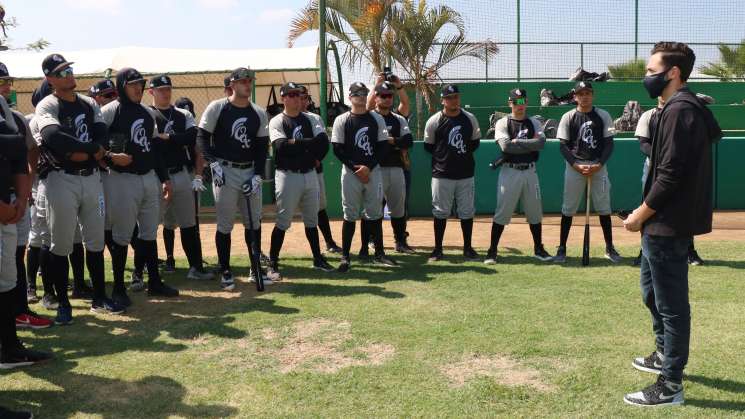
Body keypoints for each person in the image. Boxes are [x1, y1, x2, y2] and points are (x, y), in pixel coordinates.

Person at [623, 42, 721, 407]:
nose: (647, 76)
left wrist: (640, 214)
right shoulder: (675, 108)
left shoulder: (682, 110)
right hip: (659, 224)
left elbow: (671, 175)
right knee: (652, 294)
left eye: (652, 70)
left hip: (667, 224)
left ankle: (670, 386)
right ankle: (664, 355)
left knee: (672, 306)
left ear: (673, 73)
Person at [36, 54, 126, 322]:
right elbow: (53, 136)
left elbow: (101, 133)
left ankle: (100, 297)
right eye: (61, 72)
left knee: (95, 240)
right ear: (50, 79)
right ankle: (64, 303)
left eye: (69, 70)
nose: (68, 75)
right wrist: (93, 151)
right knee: (61, 243)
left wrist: (87, 153)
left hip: (90, 178)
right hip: (61, 179)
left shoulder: (87, 103)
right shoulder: (47, 104)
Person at [101, 67, 178, 306]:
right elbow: (96, 142)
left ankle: (154, 281)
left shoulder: (146, 112)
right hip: (121, 179)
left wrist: (164, 177)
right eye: (132, 83)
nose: (137, 88)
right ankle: (119, 289)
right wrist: (111, 156)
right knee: (122, 235)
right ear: (122, 85)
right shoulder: (110, 110)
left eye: (140, 84)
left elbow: (153, 148)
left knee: (148, 233)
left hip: (148, 178)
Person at [133, 75, 212, 281]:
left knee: (188, 224)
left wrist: (168, 138)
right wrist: (176, 140)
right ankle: (139, 273)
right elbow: (154, 144)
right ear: (151, 92)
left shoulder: (182, 113)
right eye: (160, 90)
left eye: (168, 88)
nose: (165, 93)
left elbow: (191, 137)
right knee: (149, 227)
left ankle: (195, 268)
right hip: (157, 176)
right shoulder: (147, 113)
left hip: (182, 173)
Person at [197, 67, 270, 290]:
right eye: (243, 81)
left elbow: (261, 148)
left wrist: (258, 175)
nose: (248, 85)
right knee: (225, 224)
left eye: (250, 81)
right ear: (233, 84)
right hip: (225, 170)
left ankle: (254, 267)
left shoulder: (257, 112)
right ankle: (226, 269)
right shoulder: (218, 107)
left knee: (253, 222)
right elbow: (202, 137)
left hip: (249, 171)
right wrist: (214, 163)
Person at [0, 89, 53, 370]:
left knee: (6, 280)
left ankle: (9, 349)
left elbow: (20, 155)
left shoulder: (5, 109)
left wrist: (20, 199)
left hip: (10, 204)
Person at [266, 82, 335, 280]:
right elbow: (280, 146)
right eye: (291, 94)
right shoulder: (277, 121)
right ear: (283, 98)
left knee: (312, 219)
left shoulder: (310, 119)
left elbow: (322, 144)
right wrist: (307, 144)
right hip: (287, 175)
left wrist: (296, 143)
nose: (296, 98)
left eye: (298, 94)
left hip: (309, 173)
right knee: (283, 221)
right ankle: (273, 262)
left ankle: (317, 258)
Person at [553, 81, 621, 264]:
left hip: (598, 167)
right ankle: (562, 248)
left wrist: (599, 164)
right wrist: (575, 164)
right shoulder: (568, 117)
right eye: (580, 93)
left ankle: (609, 247)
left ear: (593, 95)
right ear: (575, 96)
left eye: (588, 93)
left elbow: (609, 144)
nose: (584, 96)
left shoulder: (603, 115)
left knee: (604, 208)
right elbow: (563, 146)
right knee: (568, 209)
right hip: (575, 167)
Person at [332, 82, 396, 272]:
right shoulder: (342, 120)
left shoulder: (376, 118)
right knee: (350, 214)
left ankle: (379, 254)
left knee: (375, 213)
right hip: (351, 173)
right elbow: (337, 149)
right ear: (350, 97)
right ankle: (345, 256)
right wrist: (356, 168)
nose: (361, 96)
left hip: (373, 171)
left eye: (364, 93)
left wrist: (369, 167)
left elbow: (384, 146)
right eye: (357, 93)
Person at [634, 98, 705, 267]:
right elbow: (643, 144)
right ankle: (643, 251)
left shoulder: (681, 114)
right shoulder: (648, 115)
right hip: (653, 169)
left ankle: (689, 250)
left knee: (684, 207)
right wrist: (663, 159)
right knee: (647, 206)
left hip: (679, 170)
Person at [486, 88, 552, 263]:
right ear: (510, 103)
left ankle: (539, 248)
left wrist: (519, 142)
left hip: (530, 171)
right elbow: (506, 147)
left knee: (535, 212)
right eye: (515, 102)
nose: (519, 105)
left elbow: (541, 143)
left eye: (522, 101)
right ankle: (492, 251)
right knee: (502, 212)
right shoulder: (503, 123)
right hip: (510, 171)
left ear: (527, 102)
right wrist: (527, 145)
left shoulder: (534, 122)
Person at [423, 84, 481, 262]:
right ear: (443, 100)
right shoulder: (435, 120)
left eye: (455, 96)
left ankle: (468, 248)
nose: (453, 100)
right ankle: (438, 249)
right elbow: (429, 146)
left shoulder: (469, 118)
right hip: (442, 174)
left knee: (467, 211)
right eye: (449, 97)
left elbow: (475, 142)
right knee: (440, 212)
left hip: (465, 173)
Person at [359, 80, 414, 255]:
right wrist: (393, 142)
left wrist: (390, 141)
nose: (387, 98)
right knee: (373, 208)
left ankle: (400, 241)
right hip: (376, 169)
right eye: (383, 95)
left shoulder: (398, 119)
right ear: (375, 97)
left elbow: (408, 141)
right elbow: (371, 142)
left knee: (398, 208)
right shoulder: (369, 117)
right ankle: (371, 242)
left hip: (396, 167)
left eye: (390, 95)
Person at [299, 85, 342, 254]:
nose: (302, 101)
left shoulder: (314, 118)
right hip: (292, 172)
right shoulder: (283, 119)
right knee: (284, 214)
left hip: (314, 170)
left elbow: (323, 143)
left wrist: (317, 159)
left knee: (320, 207)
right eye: (299, 97)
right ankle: (273, 255)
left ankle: (329, 242)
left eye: (305, 97)